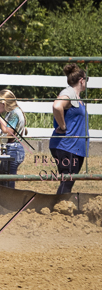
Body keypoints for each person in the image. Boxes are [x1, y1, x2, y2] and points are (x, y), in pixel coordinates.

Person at [49, 63, 89, 195]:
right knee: (67, 182)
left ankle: (60, 204)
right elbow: (57, 106)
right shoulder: (68, 93)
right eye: (86, 80)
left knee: (67, 181)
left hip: (71, 147)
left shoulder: (75, 97)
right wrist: (63, 126)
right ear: (81, 80)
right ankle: (59, 205)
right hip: (67, 146)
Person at [0, 89, 26, 189]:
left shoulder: (14, 114)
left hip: (14, 149)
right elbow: (3, 128)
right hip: (12, 148)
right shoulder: (12, 112)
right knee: (2, 181)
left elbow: (7, 131)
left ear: (3, 103)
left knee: (7, 183)